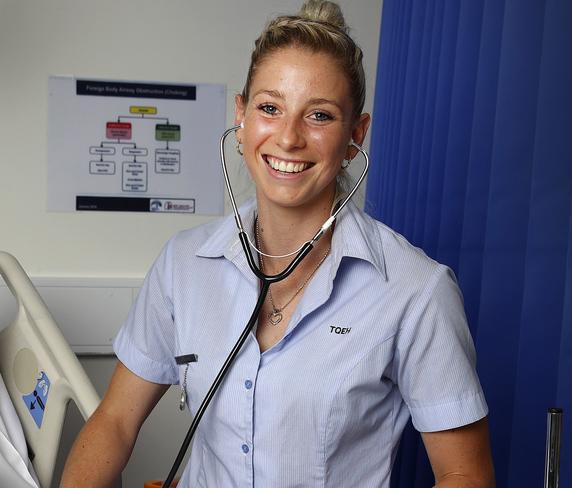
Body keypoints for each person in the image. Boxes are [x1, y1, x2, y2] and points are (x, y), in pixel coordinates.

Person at [60, 1, 495, 486]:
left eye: (320, 116)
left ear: (356, 135)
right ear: (242, 115)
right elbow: (116, 422)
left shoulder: (416, 292)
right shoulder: (183, 265)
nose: (288, 138)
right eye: (270, 108)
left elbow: (465, 475)